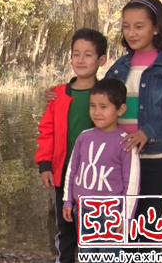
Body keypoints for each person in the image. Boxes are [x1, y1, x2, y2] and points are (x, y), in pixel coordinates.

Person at [44, 0, 162, 255]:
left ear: (156, 27)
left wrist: (148, 132)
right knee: (112, 227)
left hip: (153, 157)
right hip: (115, 157)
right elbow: (99, 96)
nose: (131, 33)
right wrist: (60, 93)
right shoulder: (120, 66)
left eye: (139, 26)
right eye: (126, 26)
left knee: (143, 226)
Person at [35, 28, 108, 263]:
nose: (81, 59)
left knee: (96, 231)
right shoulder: (58, 94)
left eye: (88, 54)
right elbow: (47, 131)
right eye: (76, 54)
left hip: (97, 178)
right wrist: (45, 165)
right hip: (65, 175)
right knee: (65, 228)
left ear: (101, 60)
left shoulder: (106, 95)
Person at [62, 78, 140, 261]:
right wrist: (67, 200)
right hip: (82, 210)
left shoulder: (126, 143)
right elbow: (72, 171)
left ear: (120, 109)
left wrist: (126, 217)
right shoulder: (84, 137)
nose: (96, 112)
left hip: (111, 214)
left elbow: (132, 184)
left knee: (109, 257)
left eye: (103, 107)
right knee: (86, 255)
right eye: (92, 106)